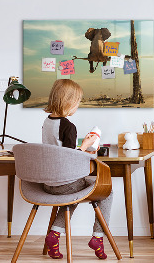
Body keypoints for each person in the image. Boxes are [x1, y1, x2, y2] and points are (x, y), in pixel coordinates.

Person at [42, 79, 112, 260]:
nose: (78, 106)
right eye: (78, 102)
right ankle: (98, 237)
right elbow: (70, 158)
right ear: (68, 101)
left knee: (72, 195)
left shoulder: (47, 122)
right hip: (65, 183)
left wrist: (81, 147)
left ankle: (54, 235)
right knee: (107, 191)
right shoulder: (68, 126)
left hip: (48, 183)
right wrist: (87, 145)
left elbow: (59, 151)